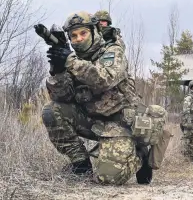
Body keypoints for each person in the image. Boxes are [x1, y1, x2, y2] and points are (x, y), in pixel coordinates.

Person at [40, 11, 155, 185]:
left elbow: (104, 79)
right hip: (92, 120)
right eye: (74, 36)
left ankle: (140, 155)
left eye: (83, 33)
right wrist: (58, 71)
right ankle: (81, 165)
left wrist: (70, 61)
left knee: (109, 178)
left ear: (94, 32)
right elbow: (62, 96)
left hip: (120, 122)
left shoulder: (112, 51)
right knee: (51, 110)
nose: (78, 39)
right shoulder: (72, 59)